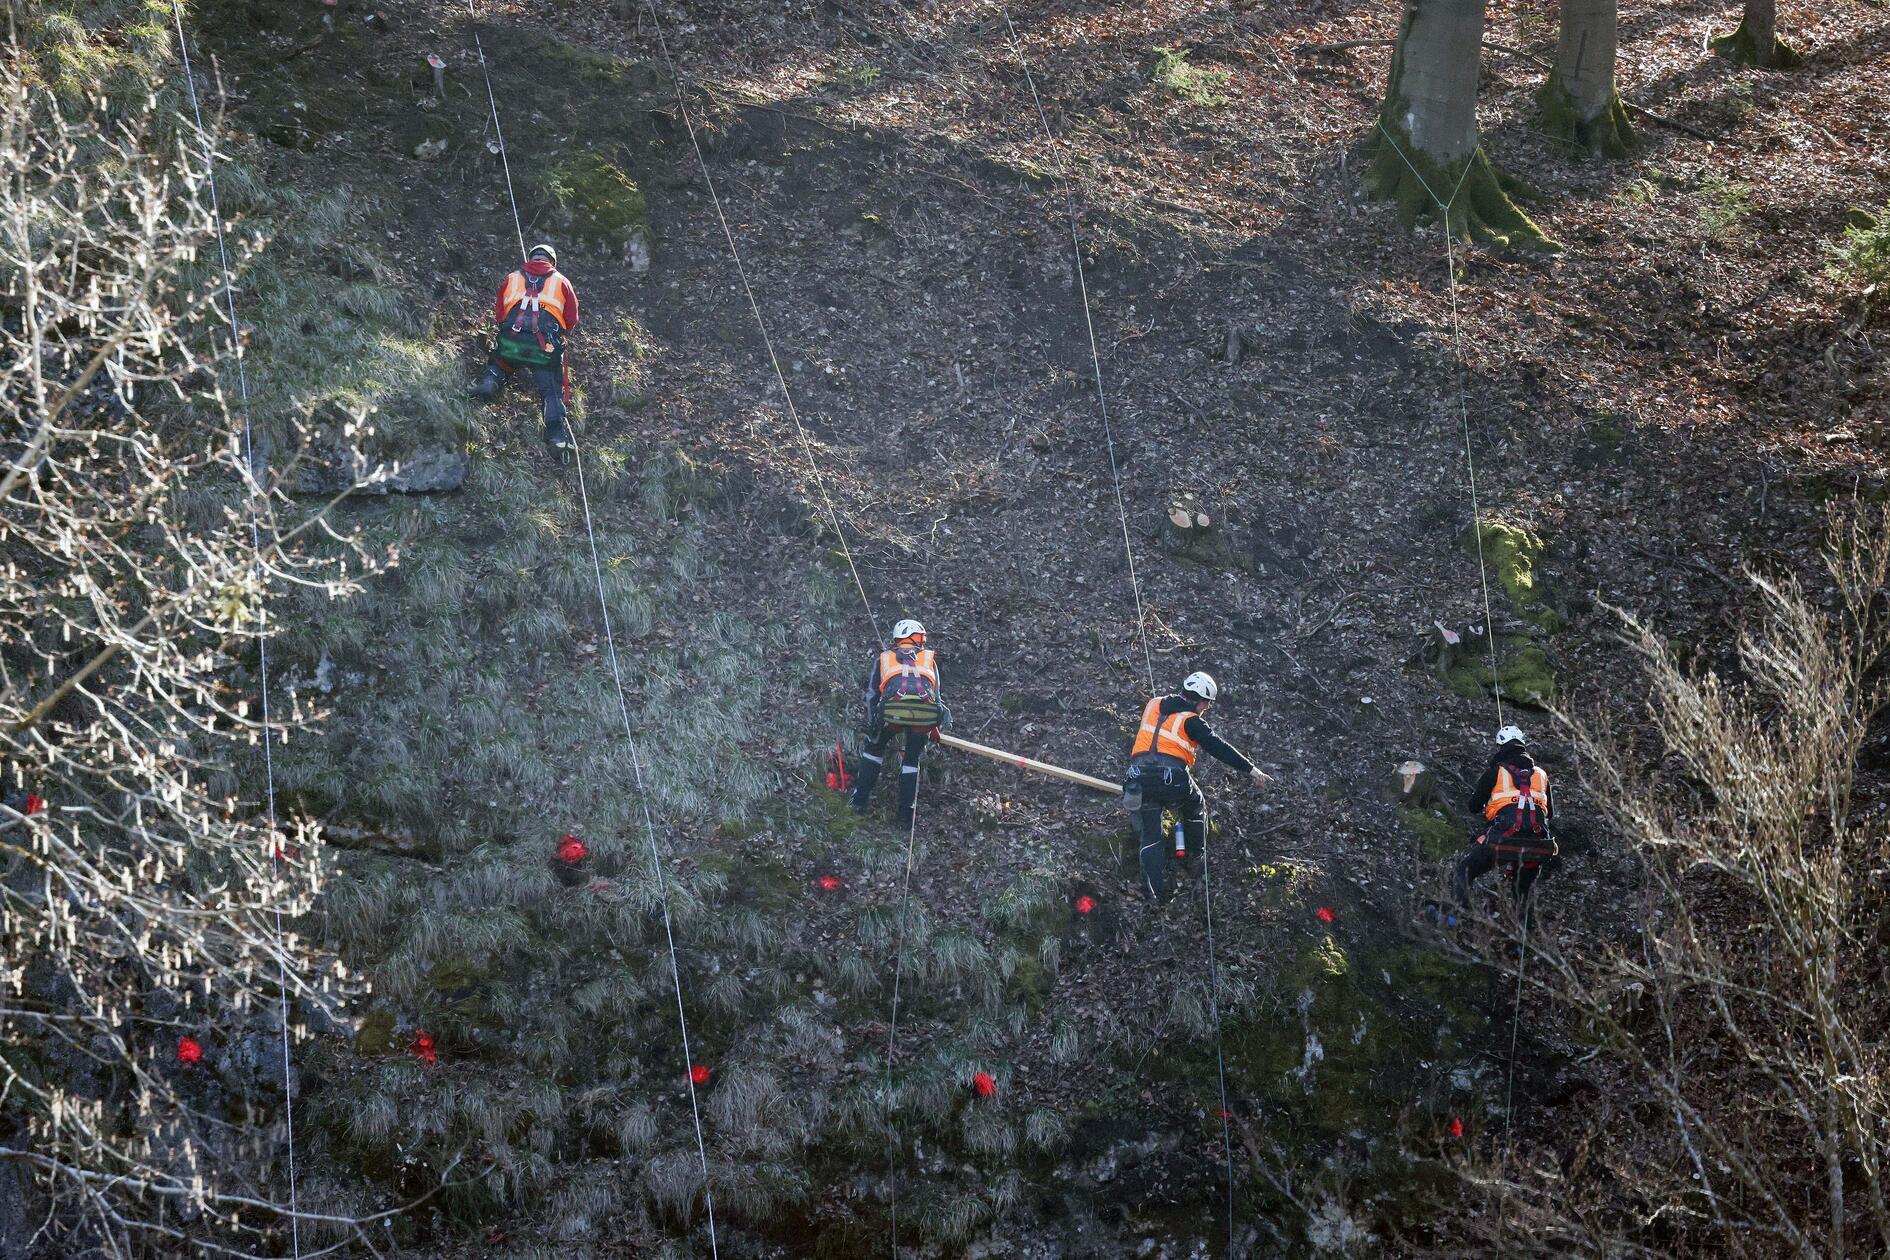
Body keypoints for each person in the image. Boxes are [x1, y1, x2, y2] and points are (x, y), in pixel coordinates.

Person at [1122, 672, 1270, 904]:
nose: (1205, 709)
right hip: (1172, 779)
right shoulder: (1191, 720)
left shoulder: (1152, 704)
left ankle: (1156, 894)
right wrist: (1251, 770)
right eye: (1206, 705)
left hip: (1137, 778)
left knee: (1150, 834)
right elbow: (1219, 747)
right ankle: (1195, 856)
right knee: (1195, 804)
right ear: (1200, 701)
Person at [471, 242, 580, 451]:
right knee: (550, 389)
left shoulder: (512, 277)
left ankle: (490, 382)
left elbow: (500, 315)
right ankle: (556, 437)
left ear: (531, 258)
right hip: (543, 349)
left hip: (511, 341)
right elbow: (571, 318)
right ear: (552, 261)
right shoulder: (562, 281)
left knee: (501, 361)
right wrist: (562, 333)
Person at [849, 619, 950, 830]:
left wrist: (873, 722)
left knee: (874, 749)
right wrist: (933, 727)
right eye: (921, 637)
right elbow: (936, 699)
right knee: (911, 760)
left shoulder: (884, 659)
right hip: (923, 718)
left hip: (891, 715)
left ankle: (858, 802)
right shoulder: (929, 659)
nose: (923, 642)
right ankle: (906, 816)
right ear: (913, 636)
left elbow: (872, 695)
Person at [1452, 724, 1557, 920]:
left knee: (1464, 870)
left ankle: (1457, 918)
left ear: (1501, 747)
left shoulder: (1496, 772)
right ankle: (1524, 940)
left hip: (1503, 840)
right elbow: (1549, 814)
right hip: (1536, 845)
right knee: (1523, 891)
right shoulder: (1542, 775)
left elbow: (1473, 806)